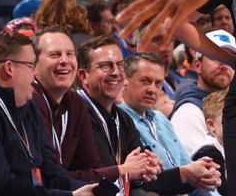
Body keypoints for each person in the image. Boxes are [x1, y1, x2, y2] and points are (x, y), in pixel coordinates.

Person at [0, 30, 93, 196]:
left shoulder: (28, 105)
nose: (35, 73)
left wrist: (90, 190)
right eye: (31, 65)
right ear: (9, 68)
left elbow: (50, 172)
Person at [76, 36, 221, 195]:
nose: (116, 72)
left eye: (119, 65)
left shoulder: (123, 118)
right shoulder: (74, 113)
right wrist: (124, 171)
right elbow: (87, 179)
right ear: (83, 76)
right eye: (106, 66)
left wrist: (190, 175)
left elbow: (147, 179)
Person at [32, 26, 151, 182]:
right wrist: (121, 171)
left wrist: (146, 166)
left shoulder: (74, 104)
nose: (64, 60)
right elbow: (47, 177)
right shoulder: (30, 102)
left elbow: (92, 170)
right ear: (33, 65)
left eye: (69, 54)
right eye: (54, 55)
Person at [119, 52, 202, 173]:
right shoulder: (118, 120)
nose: (152, 89)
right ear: (125, 80)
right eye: (145, 81)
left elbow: (187, 164)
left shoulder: (160, 118)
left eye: (158, 83)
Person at [171, 29, 235, 158]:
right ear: (197, 65)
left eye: (229, 58)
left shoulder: (231, 104)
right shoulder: (188, 112)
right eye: (216, 57)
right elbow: (201, 173)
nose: (224, 65)